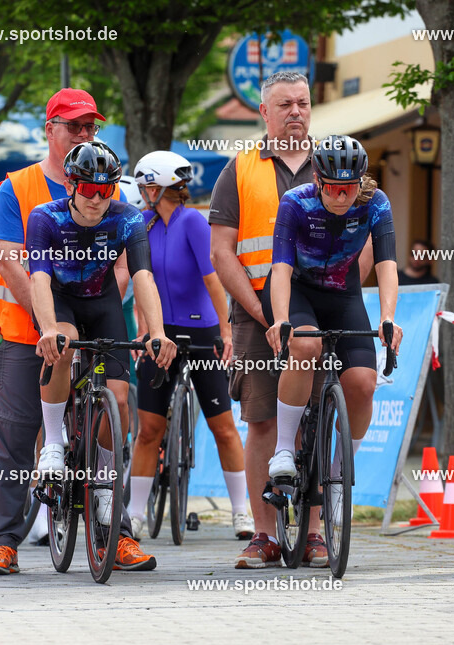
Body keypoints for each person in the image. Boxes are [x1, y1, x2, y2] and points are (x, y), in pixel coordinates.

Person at [0, 88, 161, 573]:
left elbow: (126, 264)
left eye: (90, 126)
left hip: (92, 311)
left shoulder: (112, 191)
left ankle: (115, 534)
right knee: (13, 436)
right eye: (74, 125)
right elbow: (10, 261)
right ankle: (3, 542)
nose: (84, 133)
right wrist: (51, 325)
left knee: (112, 414)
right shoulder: (17, 187)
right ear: (49, 130)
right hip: (21, 329)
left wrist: (99, 305)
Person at [210, 71, 374, 569]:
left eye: (303, 103)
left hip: (322, 307)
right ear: (265, 112)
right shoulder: (239, 169)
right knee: (263, 420)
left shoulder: (337, 162)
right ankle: (264, 535)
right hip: (257, 310)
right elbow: (222, 251)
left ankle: (316, 533)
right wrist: (262, 311)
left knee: (320, 416)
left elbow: (368, 242)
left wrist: (340, 292)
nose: (296, 112)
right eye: (285, 104)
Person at [26, 141, 176, 571]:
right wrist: (49, 328)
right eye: (89, 189)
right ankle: (52, 444)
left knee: (120, 398)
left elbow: (143, 276)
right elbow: (38, 278)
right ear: (70, 186)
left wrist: (157, 332)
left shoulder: (127, 217)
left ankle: (106, 489)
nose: (96, 199)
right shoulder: (45, 217)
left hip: (104, 304)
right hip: (60, 303)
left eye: (105, 190)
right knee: (63, 344)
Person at [263, 135, 402, 548]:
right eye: (334, 188)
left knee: (363, 383)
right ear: (318, 180)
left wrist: (388, 317)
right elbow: (281, 267)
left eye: (350, 188)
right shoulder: (295, 202)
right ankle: (283, 450)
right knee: (306, 346)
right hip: (298, 292)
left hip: (343, 295)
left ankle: (340, 471)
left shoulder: (375, 203)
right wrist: (282, 320)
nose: (342, 197)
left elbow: (387, 265)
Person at [127, 150, 252, 541]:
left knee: (223, 427)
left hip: (202, 332)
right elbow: (141, 283)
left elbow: (213, 280)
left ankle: (241, 511)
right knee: (149, 430)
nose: (142, 192)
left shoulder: (194, 222)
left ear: (156, 188)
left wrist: (226, 333)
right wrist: (142, 330)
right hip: (159, 334)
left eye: (145, 185)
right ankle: (134, 515)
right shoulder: (141, 224)